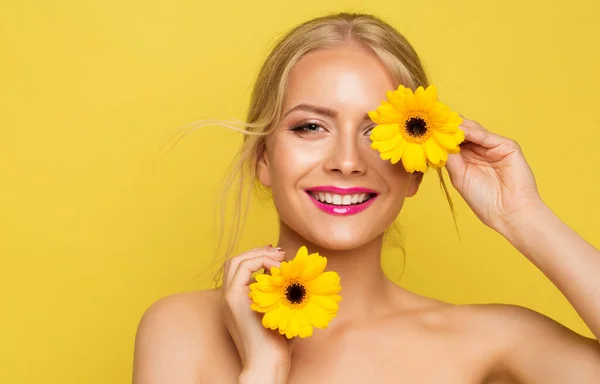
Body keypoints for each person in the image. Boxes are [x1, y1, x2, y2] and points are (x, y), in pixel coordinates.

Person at [132, 12, 600, 383]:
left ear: (416, 167)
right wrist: (263, 372)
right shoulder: (181, 331)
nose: (347, 160)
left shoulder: (495, 341)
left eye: (377, 131)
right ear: (264, 158)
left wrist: (522, 215)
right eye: (311, 126)